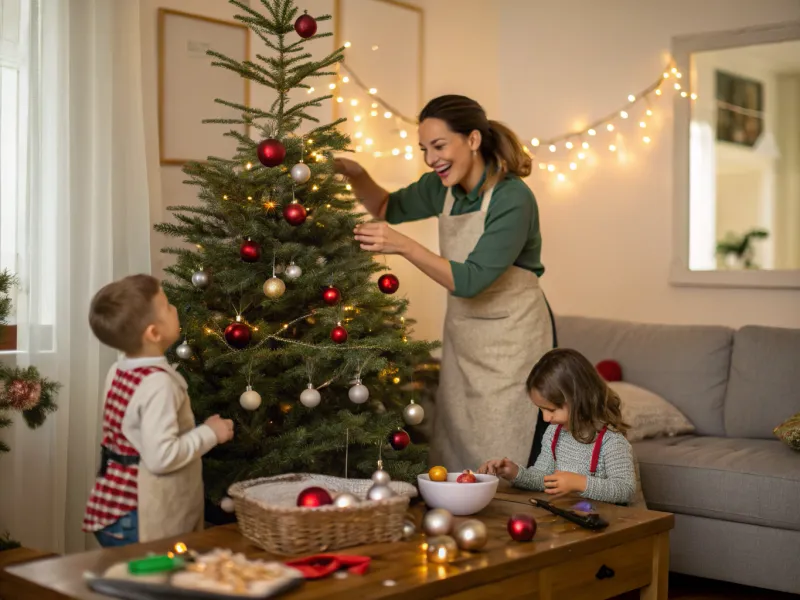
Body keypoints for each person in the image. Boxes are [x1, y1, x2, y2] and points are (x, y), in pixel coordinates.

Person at [336, 94, 553, 473]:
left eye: (439, 146)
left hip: (514, 343)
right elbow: (387, 207)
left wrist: (401, 245)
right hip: (464, 338)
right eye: (424, 149)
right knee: (457, 448)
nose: (431, 158)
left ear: (472, 139)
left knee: (503, 449)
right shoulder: (442, 188)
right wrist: (355, 175)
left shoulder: (513, 198)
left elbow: (471, 281)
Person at [81, 274, 234, 547]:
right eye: (167, 305)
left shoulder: (119, 370)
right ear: (153, 333)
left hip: (114, 503)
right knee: (156, 582)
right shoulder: (158, 385)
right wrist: (210, 434)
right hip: (143, 514)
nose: (175, 308)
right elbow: (162, 457)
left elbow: (136, 434)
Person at [478, 348, 636, 505]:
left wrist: (579, 483)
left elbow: (624, 490)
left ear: (579, 398)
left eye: (551, 409)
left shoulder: (611, 441)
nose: (546, 418)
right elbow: (543, 478)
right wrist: (514, 473)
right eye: (541, 409)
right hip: (569, 518)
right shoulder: (554, 433)